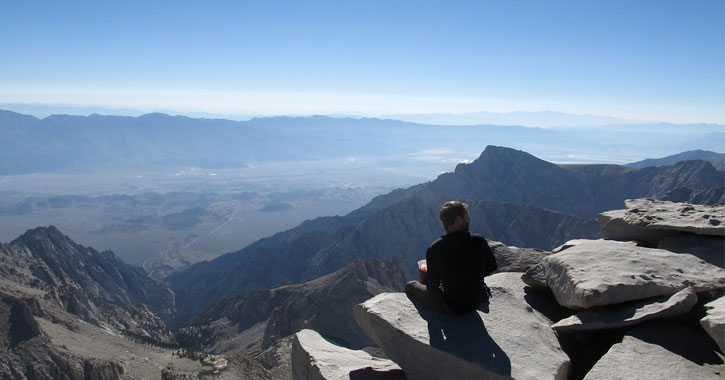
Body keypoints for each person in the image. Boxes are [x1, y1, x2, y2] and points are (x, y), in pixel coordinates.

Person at [405, 201, 497, 315]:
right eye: (467, 216)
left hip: (452, 307)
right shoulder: (479, 240)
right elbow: (491, 267)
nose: (469, 220)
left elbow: (432, 287)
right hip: (475, 302)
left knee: (410, 285)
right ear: (459, 220)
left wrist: (425, 277)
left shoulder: (435, 248)